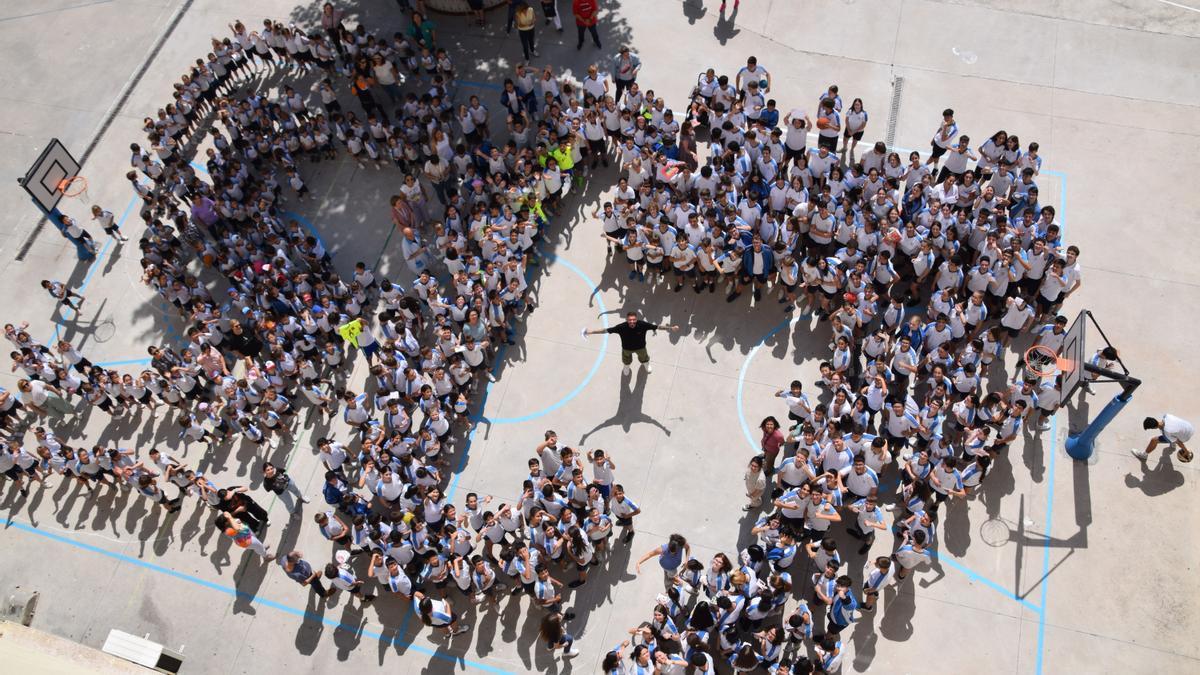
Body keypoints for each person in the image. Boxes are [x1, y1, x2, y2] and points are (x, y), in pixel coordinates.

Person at [584, 311, 680, 375]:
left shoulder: (642, 325)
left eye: (634, 320)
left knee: (644, 358)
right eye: (630, 320)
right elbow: (606, 330)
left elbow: (657, 327)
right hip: (626, 348)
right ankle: (626, 367)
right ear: (627, 320)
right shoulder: (621, 327)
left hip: (641, 347)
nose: (632, 322)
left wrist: (671, 328)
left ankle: (645, 364)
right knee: (626, 360)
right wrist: (591, 332)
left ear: (636, 319)